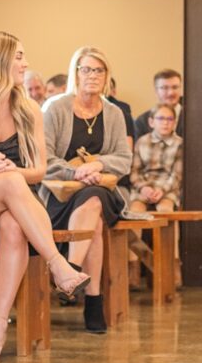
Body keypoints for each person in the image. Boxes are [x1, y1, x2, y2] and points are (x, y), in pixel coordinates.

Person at [0, 32, 90, 363]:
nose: (25, 63)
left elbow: (40, 170)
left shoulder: (29, 107)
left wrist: (7, 174)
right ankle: (58, 265)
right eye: (18, 56)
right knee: (9, 181)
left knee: (13, 222)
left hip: (19, 203)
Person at [41, 46, 133, 333]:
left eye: (99, 70)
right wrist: (75, 171)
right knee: (92, 224)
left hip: (102, 190)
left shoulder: (115, 113)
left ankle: (69, 270)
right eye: (86, 69)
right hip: (60, 194)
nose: (93, 75)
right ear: (75, 73)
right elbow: (43, 157)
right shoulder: (55, 107)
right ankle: (93, 301)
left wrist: (96, 165)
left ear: (107, 76)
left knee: (93, 200)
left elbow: (124, 159)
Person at [129, 103, 183, 213]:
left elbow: (177, 175)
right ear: (151, 122)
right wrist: (143, 188)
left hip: (168, 189)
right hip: (144, 188)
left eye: (170, 119)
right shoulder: (141, 142)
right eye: (161, 118)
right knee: (135, 210)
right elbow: (134, 171)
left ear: (174, 123)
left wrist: (162, 190)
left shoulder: (180, 143)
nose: (165, 123)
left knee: (165, 209)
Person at [134, 69, 184, 140]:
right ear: (156, 91)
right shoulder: (142, 121)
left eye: (175, 87)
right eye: (165, 88)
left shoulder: (194, 119)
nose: (171, 93)